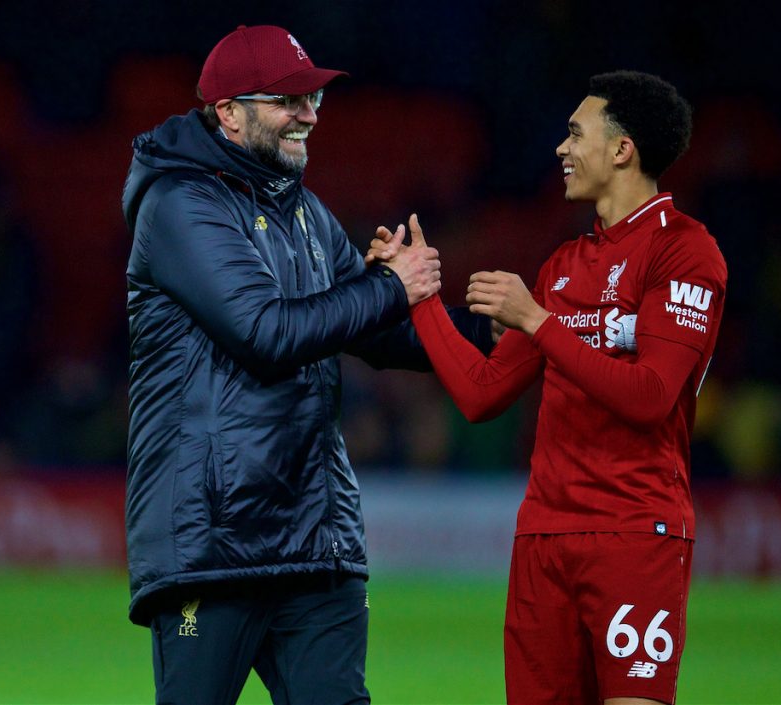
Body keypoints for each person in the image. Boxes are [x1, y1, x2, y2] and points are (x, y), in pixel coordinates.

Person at [121, 24, 492, 705]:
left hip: (314, 537)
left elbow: (379, 335)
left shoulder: (304, 213)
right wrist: (386, 287)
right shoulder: (179, 205)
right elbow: (265, 332)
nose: (310, 114)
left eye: (314, 97)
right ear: (229, 113)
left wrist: (508, 331)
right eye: (288, 99)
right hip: (215, 541)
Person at [370, 71, 727, 705]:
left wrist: (537, 321)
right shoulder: (563, 265)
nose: (561, 149)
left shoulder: (685, 252)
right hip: (542, 539)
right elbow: (482, 395)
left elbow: (650, 397)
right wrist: (419, 298)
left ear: (622, 150)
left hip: (633, 534)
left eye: (574, 134)